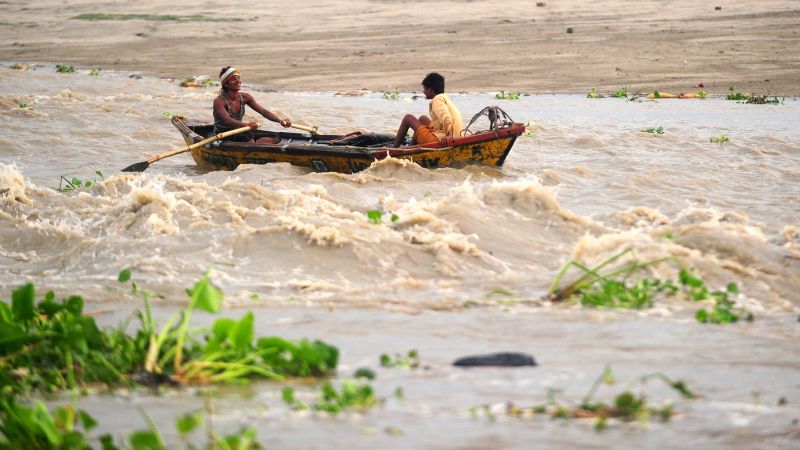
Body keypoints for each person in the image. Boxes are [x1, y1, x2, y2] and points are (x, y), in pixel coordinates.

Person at [213, 66, 291, 143]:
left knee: (275, 137)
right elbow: (227, 120)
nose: (238, 81)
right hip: (224, 134)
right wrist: (246, 124)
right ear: (226, 84)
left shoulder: (245, 97)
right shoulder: (219, 101)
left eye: (238, 78)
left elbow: (263, 111)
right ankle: (254, 147)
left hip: (240, 130)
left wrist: (281, 121)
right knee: (248, 138)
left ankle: (257, 148)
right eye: (233, 79)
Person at [392, 73, 464, 148]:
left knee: (408, 118)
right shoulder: (444, 97)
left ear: (430, 90)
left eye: (424, 89)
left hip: (444, 140)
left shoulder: (437, 100)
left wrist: (449, 135)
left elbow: (445, 116)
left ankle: (394, 150)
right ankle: (411, 147)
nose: (423, 91)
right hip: (455, 136)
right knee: (423, 119)